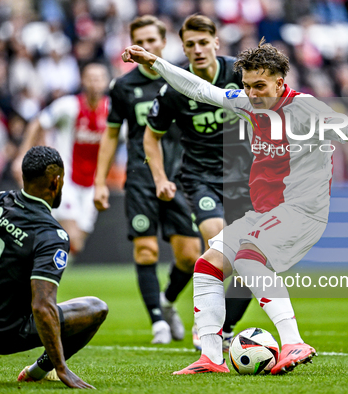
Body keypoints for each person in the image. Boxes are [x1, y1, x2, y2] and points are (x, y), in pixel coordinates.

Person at [121, 40, 348, 375]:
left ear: (280, 81)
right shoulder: (247, 103)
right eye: (246, 86)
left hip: (302, 211)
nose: (252, 93)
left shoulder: (306, 109)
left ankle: (293, 342)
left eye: (260, 86)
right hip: (264, 212)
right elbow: (200, 89)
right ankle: (212, 357)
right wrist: (156, 61)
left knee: (247, 258)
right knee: (207, 266)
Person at [0, 146, 108, 388]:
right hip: (3, 332)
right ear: (56, 182)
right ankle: (40, 370)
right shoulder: (52, 236)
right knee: (97, 308)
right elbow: (42, 306)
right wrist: (61, 367)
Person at [142, 14, 255, 350]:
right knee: (217, 242)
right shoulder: (175, 87)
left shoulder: (239, 74)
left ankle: (226, 326)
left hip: (244, 178)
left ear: (216, 43)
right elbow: (152, 138)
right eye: (190, 44)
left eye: (204, 42)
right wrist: (160, 178)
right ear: (184, 49)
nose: (198, 49)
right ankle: (205, 325)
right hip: (200, 177)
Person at [93, 15, 201, 344]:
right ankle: (157, 322)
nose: (149, 46)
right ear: (133, 45)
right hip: (140, 178)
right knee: (145, 251)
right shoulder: (123, 86)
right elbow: (111, 135)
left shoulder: (183, 79)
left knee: (190, 255)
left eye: (153, 40)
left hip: (178, 176)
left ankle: (167, 302)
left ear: (163, 42)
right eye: (142, 40)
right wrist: (100, 181)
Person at [13, 63, 110, 259]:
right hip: (66, 181)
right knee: (71, 236)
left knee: (77, 243)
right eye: (91, 77)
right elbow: (38, 123)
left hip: (93, 184)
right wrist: (22, 156)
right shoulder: (68, 106)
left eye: (99, 78)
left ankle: (41, 266)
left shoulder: (112, 110)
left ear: (106, 81)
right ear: (83, 80)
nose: (95, 82)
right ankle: (37, 270)